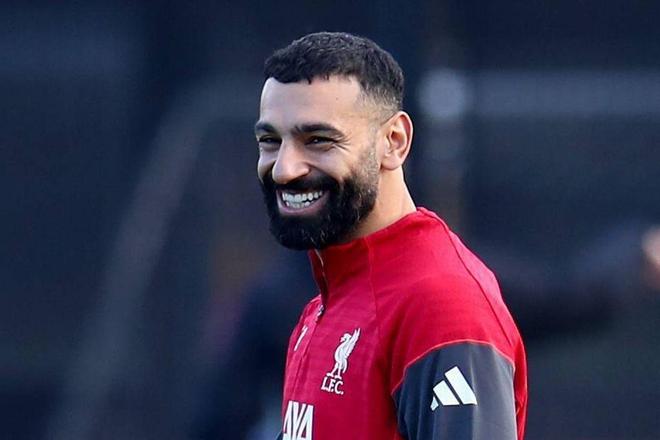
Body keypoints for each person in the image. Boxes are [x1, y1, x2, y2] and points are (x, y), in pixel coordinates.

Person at [254, 32, 527, 440]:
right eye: (271, 141)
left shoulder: (443, 306)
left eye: (318, 141)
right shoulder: (327, 301)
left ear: (394, 142)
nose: (284, 169)